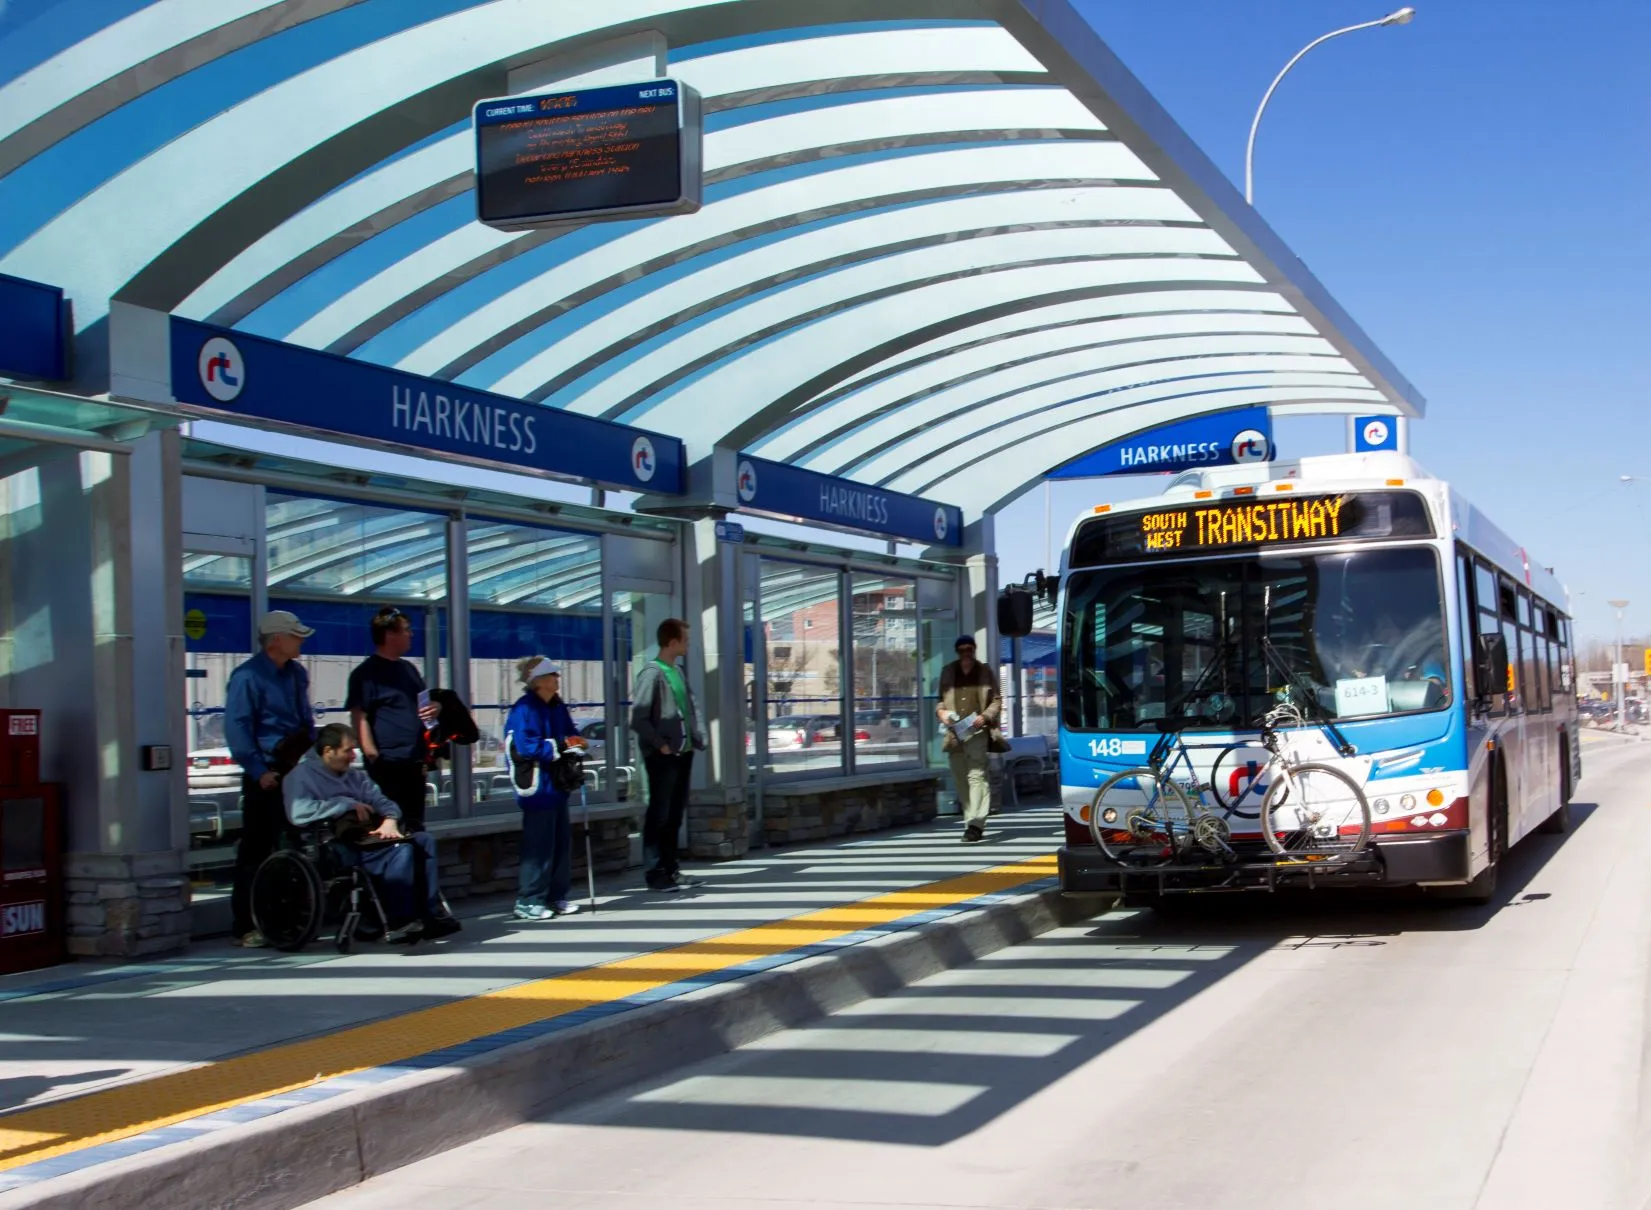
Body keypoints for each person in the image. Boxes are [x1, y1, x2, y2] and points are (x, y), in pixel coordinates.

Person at [283, 723, 460, 942]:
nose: (353, 755)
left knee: (424, 841)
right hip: (335, 843)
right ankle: (400, 920)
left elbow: (383, 801)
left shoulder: (355, 777)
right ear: (328, 750)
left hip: (368, 834)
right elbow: (298, 813)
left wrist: (390, 820)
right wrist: (344, 803)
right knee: (401, 851)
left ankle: (432, 912)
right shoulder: (301, 776)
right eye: (348, 750)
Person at [224, 610, 317, 948]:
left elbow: (306, 720)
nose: (301, 641)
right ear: (276, 639)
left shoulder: (297, 674)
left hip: (294, 765)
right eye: (295, 635)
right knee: (256, 849)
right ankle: (245, 925)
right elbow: (237, 728)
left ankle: (287, 918)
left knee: (292, 843)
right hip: (264, 771)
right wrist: (259, 771)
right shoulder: (246, 677)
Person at [504, 657, 588, 921]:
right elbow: (528, 747)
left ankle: (556, 896)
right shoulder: (524, 709)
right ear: (537, 680)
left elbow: (572, 734)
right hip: (538, 786)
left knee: (560, 843)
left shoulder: (557, 706)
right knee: (538, 846)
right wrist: (562, 745)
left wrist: (574, 744)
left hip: (558, 784)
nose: (557, 679)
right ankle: (529, 900)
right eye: (552, 675)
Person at [347, 606, 439, 833]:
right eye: (406, 630)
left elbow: (425, 704)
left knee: (415, 823)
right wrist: (372, 754)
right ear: (390, 635)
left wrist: (437, 707)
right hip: (387, 763)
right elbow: (360, 716)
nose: (412, 634)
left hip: (414, 761)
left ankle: (417, 865)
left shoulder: (408, 669)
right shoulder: (366, 674)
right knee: (389, 823)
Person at [630, 618, 705, 892]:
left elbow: (690, 707)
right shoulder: (652, 674)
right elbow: (638, 718)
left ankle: (672, 870)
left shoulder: (679, 671)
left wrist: (697, 737)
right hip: (663, 755)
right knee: (659, 814)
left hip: (683, 753)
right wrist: (660, 744)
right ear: (672, 642)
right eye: (685, 640)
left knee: (675, 814)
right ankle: (655, 872)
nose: (688, 644)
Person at [937, 634, 1004, 843]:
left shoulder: (985, 671)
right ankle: (970, 820)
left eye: (969, 649)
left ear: (974, 650)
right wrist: (941, 713)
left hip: (977, 730)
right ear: (957, 652)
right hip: (955, 732)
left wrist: (985, 716)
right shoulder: (948, 671)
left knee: (977, 775)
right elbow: (940, 701)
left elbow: (996, 700)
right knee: (960, 778)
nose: (966, 653)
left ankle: (976, 824)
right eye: (962, 650)